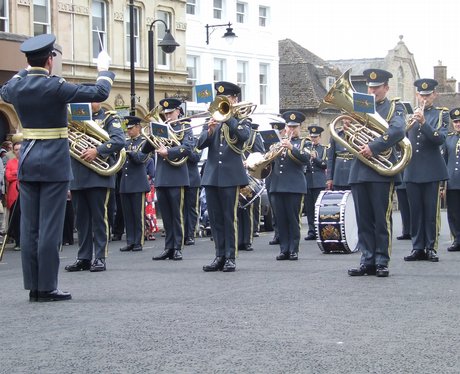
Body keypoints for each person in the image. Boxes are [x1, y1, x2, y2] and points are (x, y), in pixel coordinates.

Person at [0, 33, 114, 302]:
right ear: (50, 60)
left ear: (29, 61)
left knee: (30, 228)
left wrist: (24, 69)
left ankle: (34, 287)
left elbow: (6, 87)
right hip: (53, 162)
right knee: (50, 226)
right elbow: (101, 92)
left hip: (27, 159)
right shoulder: (56, 86)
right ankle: (48, 286)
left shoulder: (16, 87)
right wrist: (103, 69)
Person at [347, 68, 405, 278]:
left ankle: (381, 261)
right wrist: (347, 126)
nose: (372, 91)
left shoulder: (394, 109)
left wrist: (374, 146)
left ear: (386, 88)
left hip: (381, 171)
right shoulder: (361, 106)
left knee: (381, 219)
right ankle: (367, 259)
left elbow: (398, 130)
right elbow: (351, 135)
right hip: (360, 170)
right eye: (370, 87)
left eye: (377, 87)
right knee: (363, 220)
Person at [65, 102, 125, 272]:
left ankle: (100, 257)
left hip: (99, 176)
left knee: (100, 218)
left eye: (93, 99)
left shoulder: (109, 118)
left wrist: (97, 150)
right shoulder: (75, 117)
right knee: (82, 221)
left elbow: (119, 140)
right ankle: (83, 257)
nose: (90, 103)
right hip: (77, 175)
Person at [197, 81, 250, 272]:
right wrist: (210, 130)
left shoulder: (242, 119)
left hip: (230, 175)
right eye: (221, 98)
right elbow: (200, 144)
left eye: (226, 98)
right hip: (212, 175)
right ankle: (219, 255)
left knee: (229, 217)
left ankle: (230, 256)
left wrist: (228, 118)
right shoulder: (213, 119)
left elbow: (244, 136)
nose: (223, 101)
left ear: (235, 99)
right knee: (216, 218)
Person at [403, 78, 449, 262]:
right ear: (417, 95)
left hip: (431, 169)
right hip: (412, 169)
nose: (424, 98)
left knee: (430, 212)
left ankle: (431, 247)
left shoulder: (441, 114)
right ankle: (417, 247)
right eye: (421, 95)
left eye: (428, 95)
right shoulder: (408, 116)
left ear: (434, 95)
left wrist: (423, 123)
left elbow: (439, 139)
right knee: (416, 212)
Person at [150, 98, 193, 261]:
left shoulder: (185, 127)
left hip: (177, 176)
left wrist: (169, 152)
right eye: (165, 113)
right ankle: (168, 247)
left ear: (178, 112)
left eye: (170, 112)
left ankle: (178, 247)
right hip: (161, 176)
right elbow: (149, 147)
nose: (167, 116)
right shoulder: (160, 128)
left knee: (177, 215)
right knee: (166, 216)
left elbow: (188, 147)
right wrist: (149, 134)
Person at [270, 111, 310, 260]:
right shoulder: (276, 143)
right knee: (281, 219)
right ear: (285, 127)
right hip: (277, 185)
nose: (291, 129)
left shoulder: (304, 143)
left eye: (295, 127)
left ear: (299, 127)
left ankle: (293, 249)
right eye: (289, 126)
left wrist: (291, 148)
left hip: (294, 186)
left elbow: (305, 158)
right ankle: (284, 249)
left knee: (293, 219)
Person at [119, 116, 150, 252]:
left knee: (138, 215)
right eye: (127, 129)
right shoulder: (125, 142)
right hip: (125, 183)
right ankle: (130, 241)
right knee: (128, 215)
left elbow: (141, 159)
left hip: (138, 183)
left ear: (138, 127)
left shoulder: (144, 142)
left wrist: (129, 153)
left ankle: (139, 241)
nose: (129, 131)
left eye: (131, 128)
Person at [238, 120, 265, 252]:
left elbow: (260, 155)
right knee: (235, 208)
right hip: (233, 174)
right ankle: (237, 239)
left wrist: (248, 163)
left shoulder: (254, 136)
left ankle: (247, 240)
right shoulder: (232, 132)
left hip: (249, 176)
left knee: (247, 208)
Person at [304, 125, 327, 240]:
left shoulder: (324, 149)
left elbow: (324, 165)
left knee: (318, 208)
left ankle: (320, 230)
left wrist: (315, 158)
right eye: (312, 137)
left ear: (320, 137)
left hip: (319, 181)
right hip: (308, 181)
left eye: (316, 137)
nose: (314, 139)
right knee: (309, 208)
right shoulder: (306, 148)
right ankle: (311, 231)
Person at [442, 108, 460, 252]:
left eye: (459, 121)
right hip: (453, 181)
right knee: (453, 212)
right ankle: (457, 239)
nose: (458, 124)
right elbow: (445, 161)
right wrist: (443, 185)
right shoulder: (449, 139)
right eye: (455, 121)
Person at [266, 119, 286, 245]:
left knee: (284, 209)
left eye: (279, 131)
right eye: (275, 131)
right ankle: (277, 233)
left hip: (283, 180)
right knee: (274, 208)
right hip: (270, 177)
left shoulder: (288, 143)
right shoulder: (268, 144)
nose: (277, 133)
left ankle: (285, 235)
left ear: (284, 131)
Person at [326, 118, 354, 191]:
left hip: (353, 173)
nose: (346, 121)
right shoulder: (335, 134)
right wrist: (329, 178)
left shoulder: (358, 133)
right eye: (344, 119)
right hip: (338, 175)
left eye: (348, 118)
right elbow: (331, 158)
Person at [184, 137, 202, 246]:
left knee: (191, 208)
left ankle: (190, 234)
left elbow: (196, 157)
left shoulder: (195, 141)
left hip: (192, 180)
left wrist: (186, 149)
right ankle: (182, 234)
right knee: (180, 209)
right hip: (178, 179)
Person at [5, 142, 21, 250]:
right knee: (16, 219)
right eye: (15, 150)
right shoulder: (11, 162)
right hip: (14, 194)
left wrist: (14, 173)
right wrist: (18, 172)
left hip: (25, 193)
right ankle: (18, 242)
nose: (18, 151)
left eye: (19, 149)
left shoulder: (27, 160)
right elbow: (8, 176)